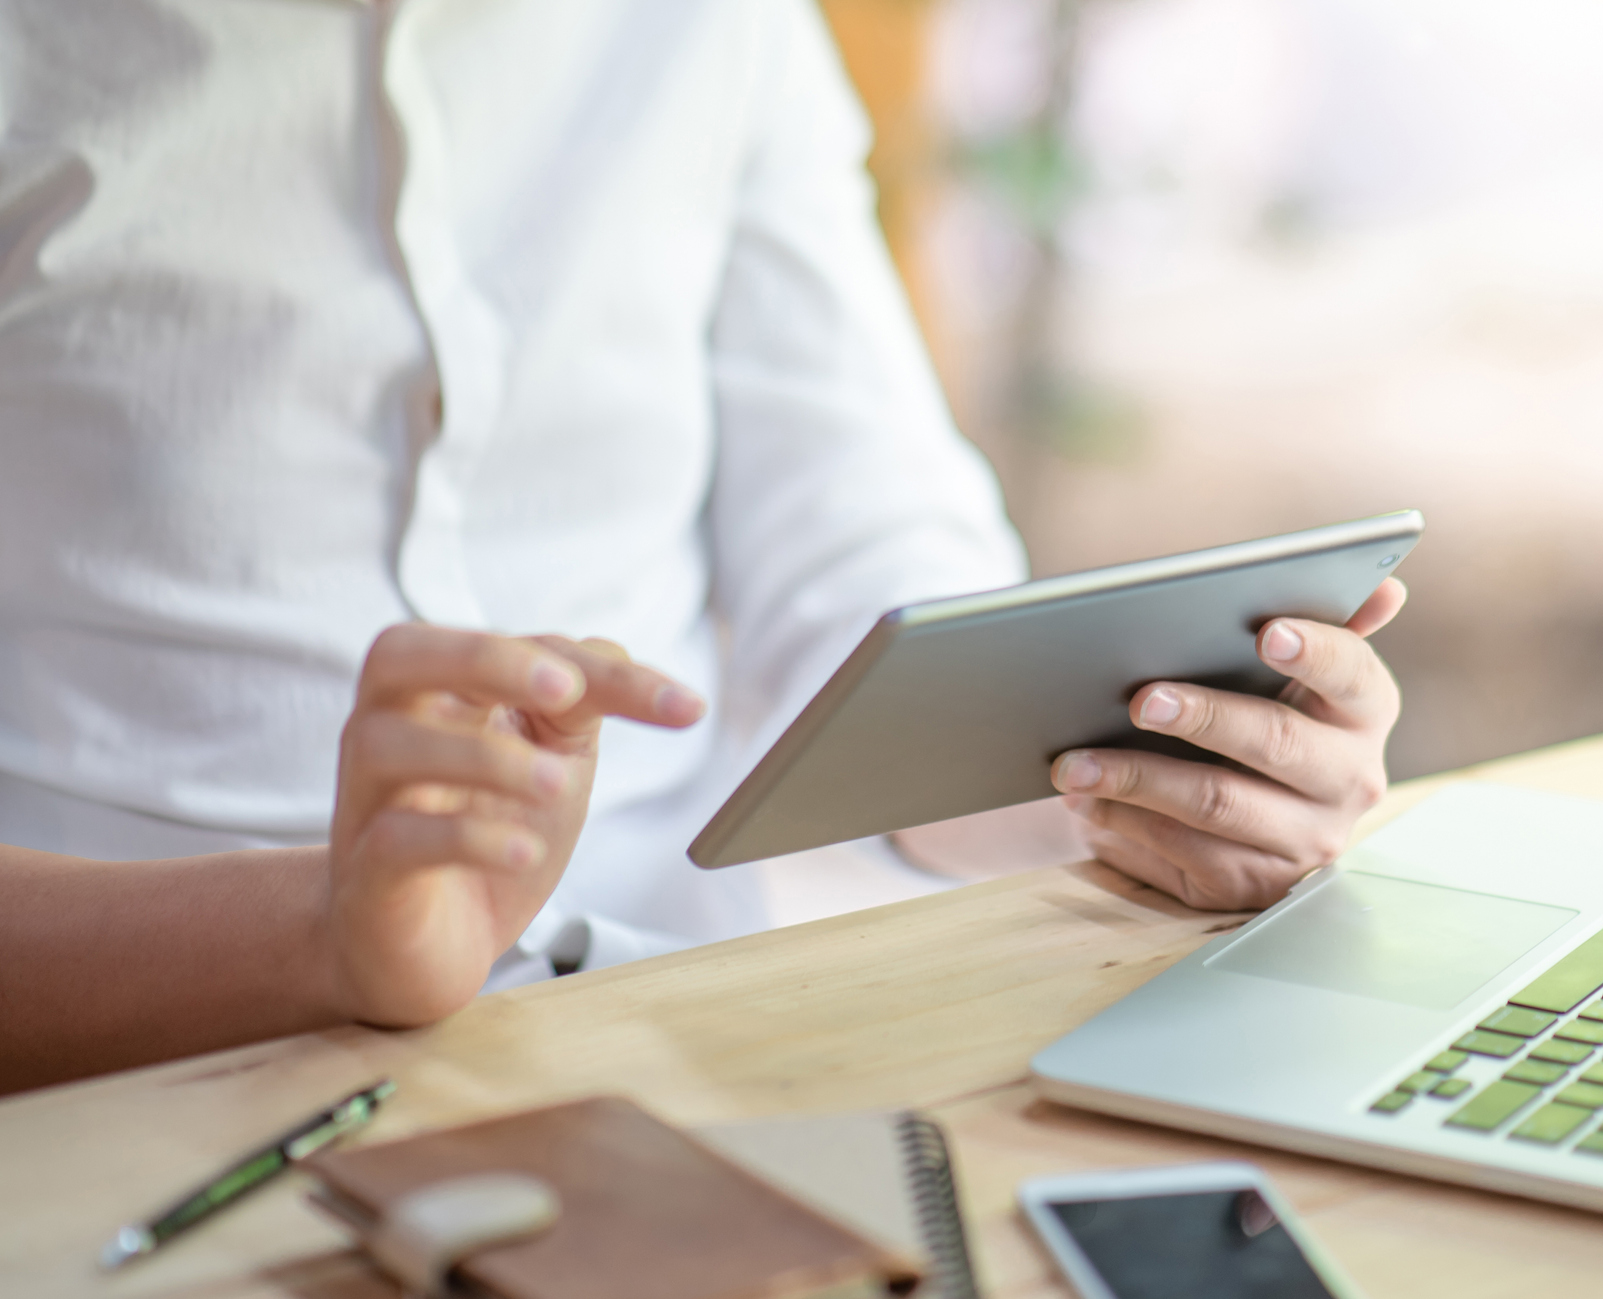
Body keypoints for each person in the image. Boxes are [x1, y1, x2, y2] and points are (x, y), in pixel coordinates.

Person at [0, 0, 1406, 1094]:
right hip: (134, 1094)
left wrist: (1147, 776)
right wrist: (313, 931)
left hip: (667, 1052)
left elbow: (865, 592)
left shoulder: (716, 26)